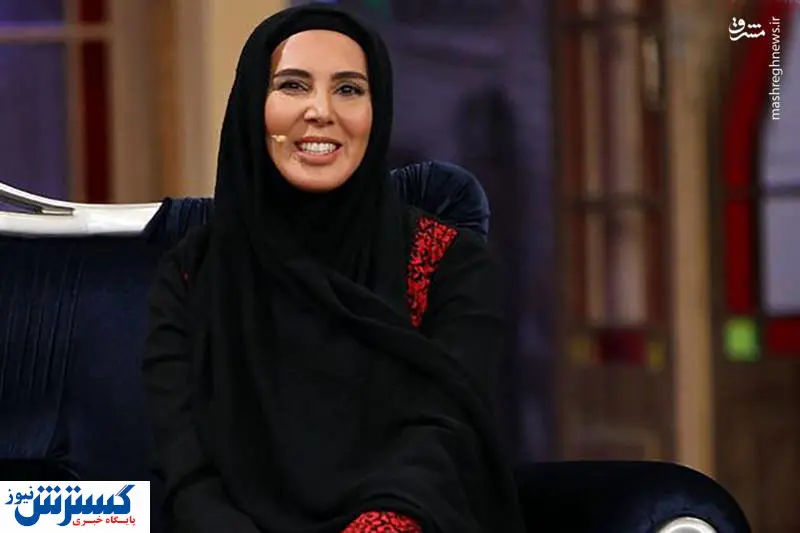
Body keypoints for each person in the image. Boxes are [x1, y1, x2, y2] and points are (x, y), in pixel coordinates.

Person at [141, 4, 526, 532]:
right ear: (253, 106)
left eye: (348, 89)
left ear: (377, 110)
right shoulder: (191, 276)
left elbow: (444, 444)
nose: (320, 111)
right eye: (292, 86)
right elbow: (188, 473)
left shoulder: (450, 266)